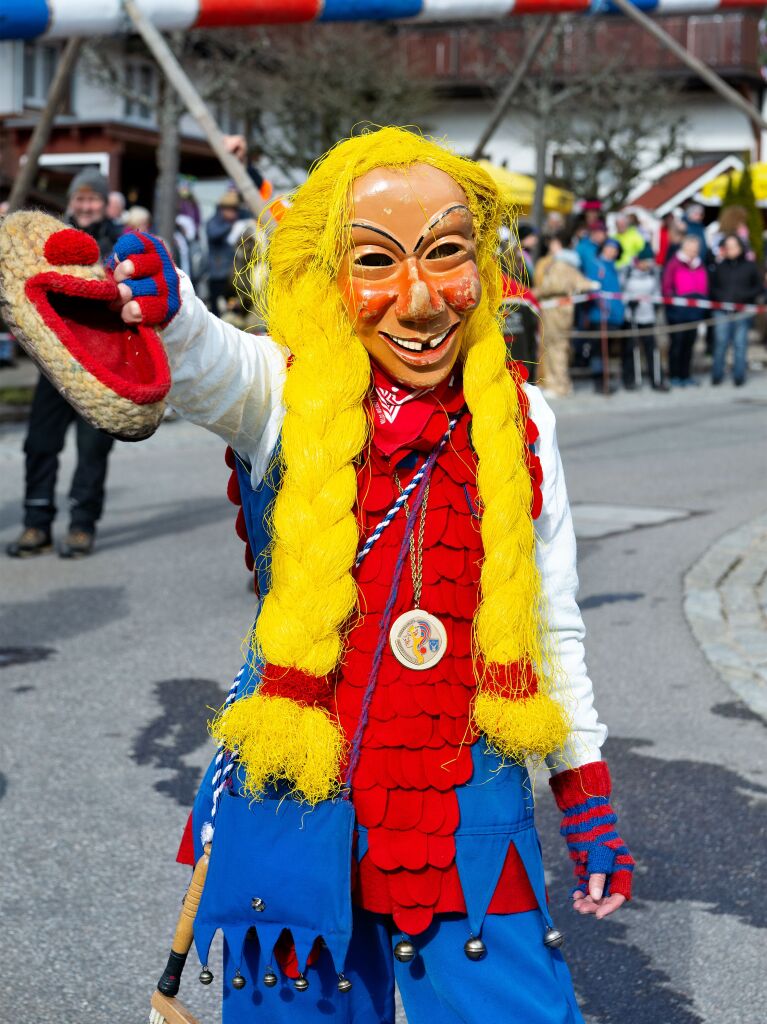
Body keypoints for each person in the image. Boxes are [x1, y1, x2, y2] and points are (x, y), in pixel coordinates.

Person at [105, 130, 632, 1023]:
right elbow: (204, 363)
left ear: (483, 262)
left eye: (446, 255)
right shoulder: (285, 391)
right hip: (298, 783)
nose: (420, 300)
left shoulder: (523, 415)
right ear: (324, 272)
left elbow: (553, 619)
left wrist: (582, 787)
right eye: (376, 262)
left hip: (468, 785)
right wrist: (165, 308)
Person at [6, 168, 123, 558]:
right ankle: (36, 524)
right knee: (40, 443)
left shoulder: (121, 241)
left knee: (93, 449)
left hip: (100, 363)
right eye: (80, 198)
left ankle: (81, 525)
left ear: (104, 203)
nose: (86, 205)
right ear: (72, 202)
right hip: (54, 361)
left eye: (93, 199)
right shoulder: (49, 238)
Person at [533, 234, 596, 397]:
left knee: (556, 346)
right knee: (552, 346)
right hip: (555, 310)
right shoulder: (565, 263)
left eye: (553, 243)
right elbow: (583, 283)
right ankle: (553, 382)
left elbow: (552, 286)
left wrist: (532, 293)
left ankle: (560, 385)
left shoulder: (560, 264)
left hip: (557, 311)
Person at [709, 233, 762, 387]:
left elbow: (758, 288)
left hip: (742, 311)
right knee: (720, 343)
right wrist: (722, 298)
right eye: (728, 246)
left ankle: (739, 376)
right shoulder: (720, 266)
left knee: (740, 344)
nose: (731, 249)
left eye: (734, 246)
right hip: (722, 310)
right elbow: (712, 288)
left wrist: (743, 297)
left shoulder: (750, 266)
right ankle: (717, 375)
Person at [661, 233, 708, 387]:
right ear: (684, 247)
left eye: (695, 249)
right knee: (677, 344)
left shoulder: (700, 265)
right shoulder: (674, 263)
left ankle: (686, 374)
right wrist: (673, 306)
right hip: (678, 312)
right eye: (691, 249)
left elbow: (704, 287)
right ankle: (674, 375)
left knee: (689, 345)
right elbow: (666, 287)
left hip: (694, 312)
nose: (693, 252)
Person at [622, 243, 668, 390]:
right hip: (632, 316)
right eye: (646, 262)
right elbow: (620, 291)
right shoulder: (628, 271)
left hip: (648, 315)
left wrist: (656, 303)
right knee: (631, 348)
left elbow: (657, 290)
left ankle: (657, 379)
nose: (649, 265)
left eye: (650, 262)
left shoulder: (653, 273)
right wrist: (628, 302)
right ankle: (630, 379)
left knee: (652, 348)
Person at [585, 237, 625, 392]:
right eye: (609, 248)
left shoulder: (614, 268)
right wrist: (601, 302)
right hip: (600, 315)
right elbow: (593, 286)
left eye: (615, 250)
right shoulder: (597, 265)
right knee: (599, 350)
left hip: (614, 315)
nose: (612, 252)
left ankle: (605, 379)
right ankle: (599, 381)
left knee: (607, 349)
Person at [206, 188, 246, 315]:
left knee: (233, 309)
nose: (234, 213)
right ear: (223, 209)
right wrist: (231, 227)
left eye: (235, 209)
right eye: (231, 209)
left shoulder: (237, 222)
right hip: (218, 275)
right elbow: (213, 234)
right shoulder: (214, 222)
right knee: (217, 310)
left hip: (232, 275)